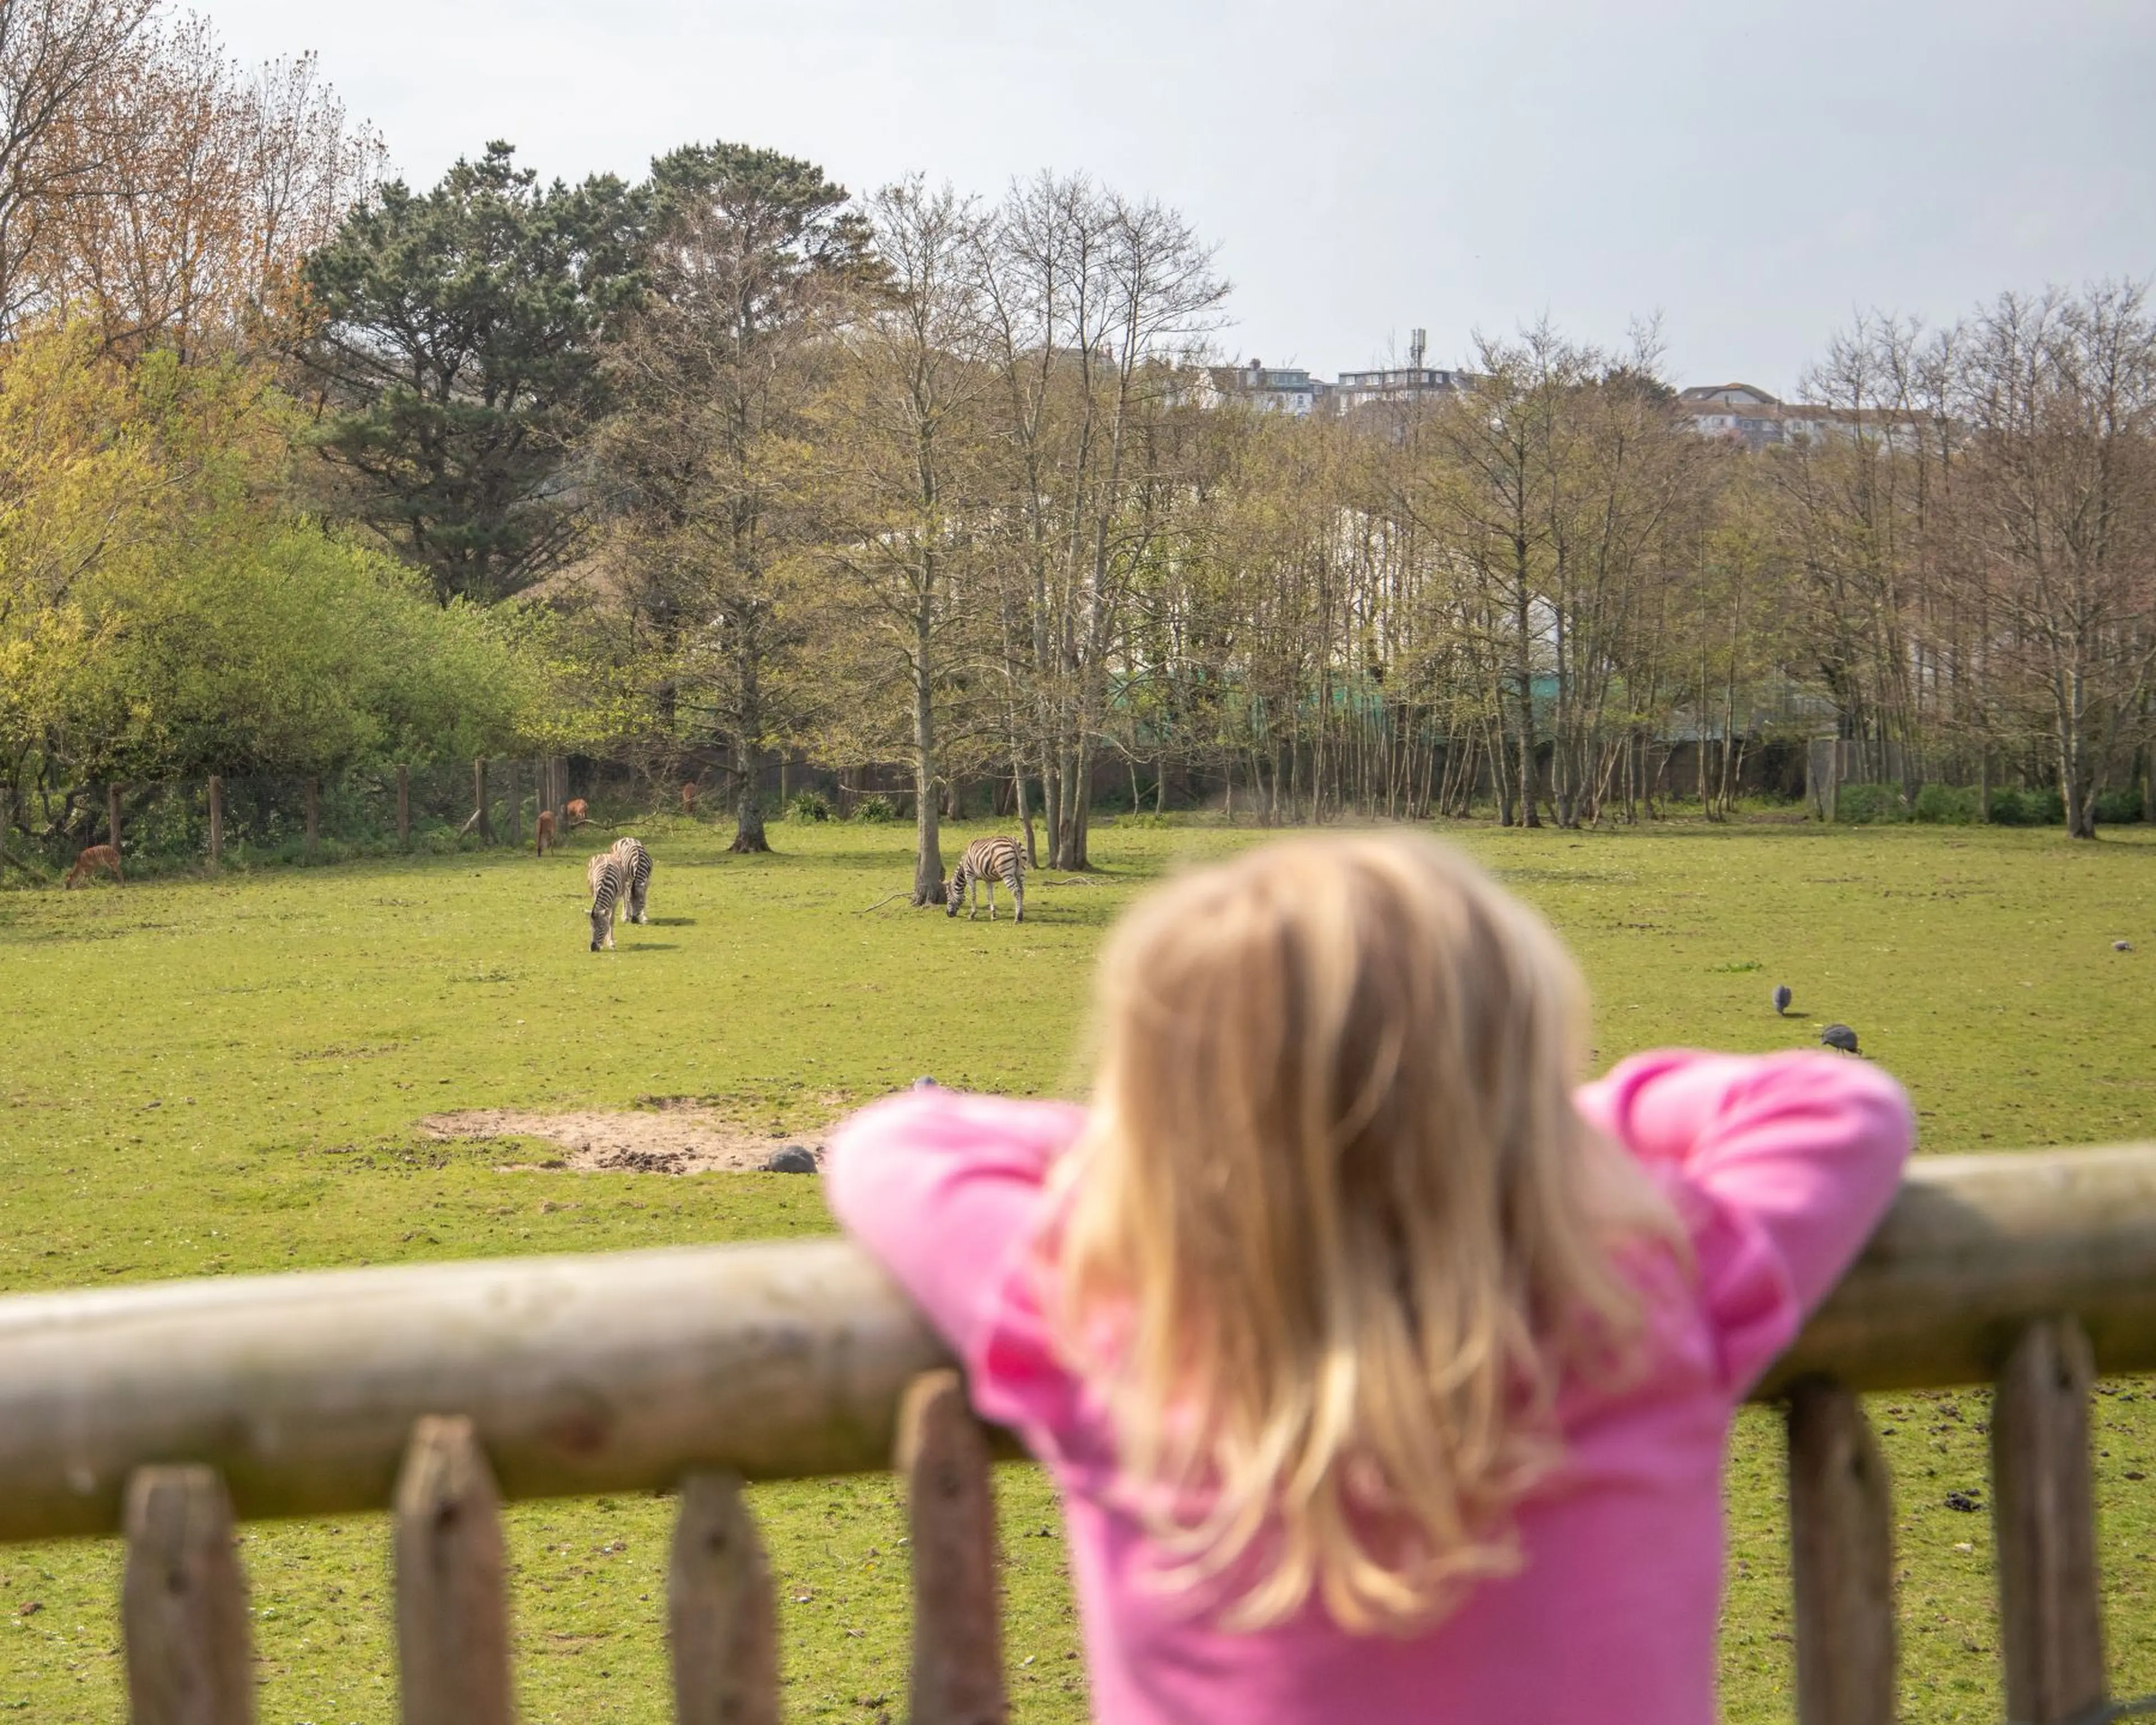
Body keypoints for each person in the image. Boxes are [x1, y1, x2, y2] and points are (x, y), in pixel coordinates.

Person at [826, 833, 1912, 1724]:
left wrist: (1206, 1143)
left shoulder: (1115, 1322)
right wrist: (1499, 1132)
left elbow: (895, 1146)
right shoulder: (1650, 1297)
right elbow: (1840, 1107)